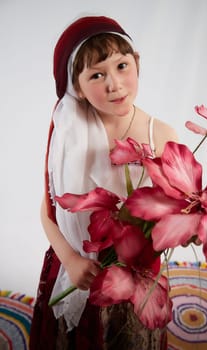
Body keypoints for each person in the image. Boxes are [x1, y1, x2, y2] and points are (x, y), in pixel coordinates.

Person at [29, 15, 178, 350]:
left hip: (133, 277)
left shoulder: (162, 137)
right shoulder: (71, 136)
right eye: (97, 74)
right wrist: (70, 258)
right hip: (79, 266)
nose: (115, 84)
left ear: (137, 64)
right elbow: (48, 208)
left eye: (122, 66)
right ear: (77, 88)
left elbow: (174, 215)